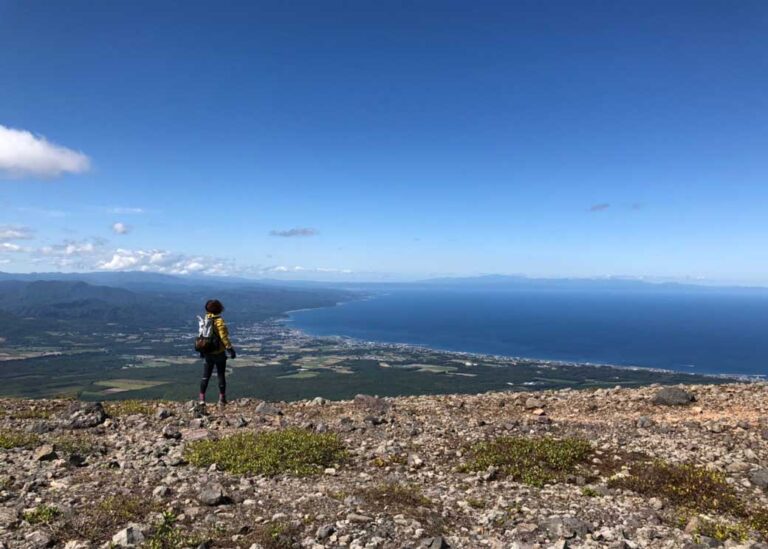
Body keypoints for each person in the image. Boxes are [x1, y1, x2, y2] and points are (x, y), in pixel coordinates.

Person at [199, 299, 236, 406]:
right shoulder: (219, 321)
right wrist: (230, 349)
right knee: (221, 375)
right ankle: (222, 399)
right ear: (219, 309)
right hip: (219, 352)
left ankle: (202, 399)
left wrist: (202, 350)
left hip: (207, 352)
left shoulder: (206, 320)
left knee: (206, 376)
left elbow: (202, 335)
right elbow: (223, 337)